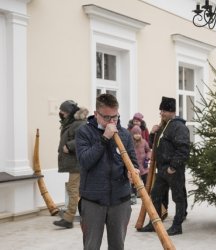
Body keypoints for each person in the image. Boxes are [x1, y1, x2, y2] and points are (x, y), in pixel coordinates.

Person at [75, 93, 139, 250]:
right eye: (106, 117)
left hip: (120, 200)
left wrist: (132, 171)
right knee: (91, 246)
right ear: (96, 114)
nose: (111, 122)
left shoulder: (124, 134)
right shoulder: (84, 132)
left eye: (115, 117)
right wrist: (104, 138)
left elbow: (132, 161)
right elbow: (85, 161)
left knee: (118, 245)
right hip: (93, 200)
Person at [138, 96, 190, 236]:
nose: (161, 113)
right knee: (155, 195)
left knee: (178, 197)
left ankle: (177, 225)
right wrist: (153, 133)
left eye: (164, 111)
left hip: (173, 170)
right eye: (161, 110)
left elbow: (183, 149)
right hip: (161, 169)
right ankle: (154, 223)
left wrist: (173, 167)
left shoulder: (179, 127)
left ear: (172, 111)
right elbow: (155, 145)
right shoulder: (164, 125)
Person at [53, 100, 89, 229]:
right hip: (74, 161)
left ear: (69, 111)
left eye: (63, 111)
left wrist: (69, 146)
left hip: (78, 162)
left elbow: (84, 138)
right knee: (77, 189)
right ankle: (85, 215)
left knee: (73, 189)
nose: (61, 113)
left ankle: (68, 219)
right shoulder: (71, 122)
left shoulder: (79, 123)